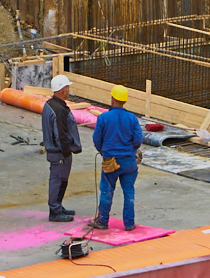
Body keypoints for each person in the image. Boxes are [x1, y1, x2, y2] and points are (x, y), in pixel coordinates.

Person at [91, 86, 145, 232]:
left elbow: (96, 139)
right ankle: (129, 223)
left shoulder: (103, 118)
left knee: (107, 191)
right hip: (128, 161)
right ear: (124, 101)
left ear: (112, 99)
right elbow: (138, 139)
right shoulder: (132, 118)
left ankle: (103, 220)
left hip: (110, 161)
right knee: (129, 191)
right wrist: (130, 149)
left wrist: (103, 151)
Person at [40, 74, 81, 221]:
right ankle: (55, 211)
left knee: (60, 179)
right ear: (62, 89)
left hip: (55, 151)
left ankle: (58, 206)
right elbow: (60, 134)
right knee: (58, 180)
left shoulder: (50, 104)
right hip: (59, 153)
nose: (68, 90)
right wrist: (67, 152)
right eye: (67, 87)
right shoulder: (59, 109)